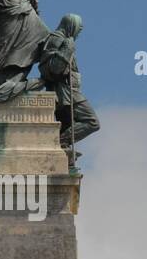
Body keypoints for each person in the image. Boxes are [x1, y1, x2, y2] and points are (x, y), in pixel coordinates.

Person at [30, 14, 99, 162]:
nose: (78, 35)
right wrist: (67, 49)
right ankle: (60, 142)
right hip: (65, 92)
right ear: (71, 26)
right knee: (92, 122)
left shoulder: (61, 39)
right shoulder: (57, 39)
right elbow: (52, 69)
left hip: (68, 91)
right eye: (78, 31)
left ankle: (60, 148)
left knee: (65, 125)